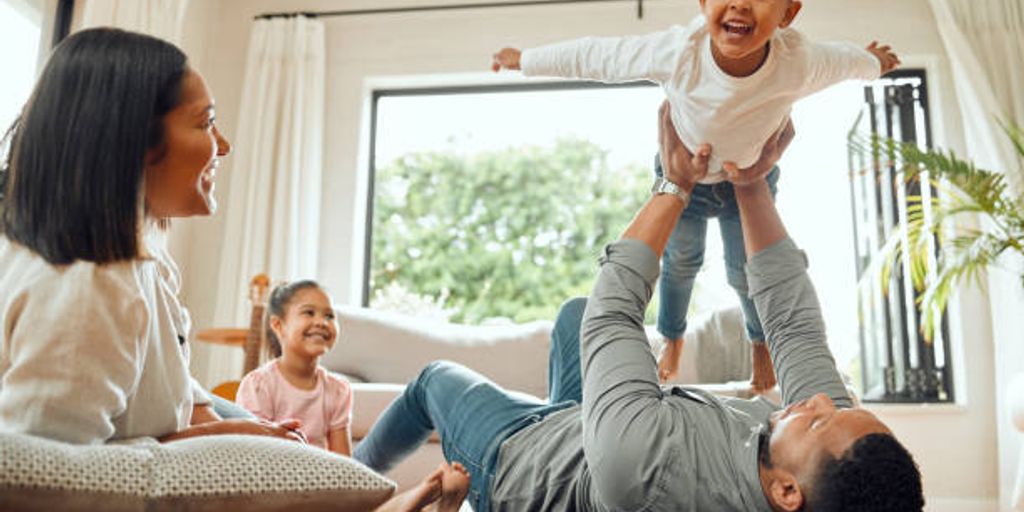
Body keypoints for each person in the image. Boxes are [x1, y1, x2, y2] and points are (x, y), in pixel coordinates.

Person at [354, 103, 924, 511]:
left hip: (518, 461)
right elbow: (794, 325)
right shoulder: (816, 461)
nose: (818, 400)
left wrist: (674, 185)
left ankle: (353, 481)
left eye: (819, 417)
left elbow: (614, 312)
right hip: (588, 434)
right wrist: (752, 188)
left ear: (786, 492)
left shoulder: (648, 475)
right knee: (573, 315)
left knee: (433, 380)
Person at [0, 27, 469, 512]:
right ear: (135, 139)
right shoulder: (87, 284)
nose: (222, 145)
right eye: (205, 123)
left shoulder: (140, 260)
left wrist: (234, 428)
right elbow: (49, 482)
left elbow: (172, 391)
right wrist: (234, 449)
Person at [491, 0, 900, 392]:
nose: (739, 4)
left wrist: (874, 63)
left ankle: (759, 342)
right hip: (686, 174)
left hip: (749, 178)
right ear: (703, 2)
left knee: (744, 271)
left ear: (788, 14)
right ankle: (672, 336)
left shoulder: (798, 63)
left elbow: (846, 62)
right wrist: (524, 59)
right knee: (681, 262)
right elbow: (598, 56)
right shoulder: (678, 53)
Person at [236, 280, 354, 456]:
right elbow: (253, 454)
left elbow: (345, 464)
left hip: (323, 478)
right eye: (309, 312)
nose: (321, 322)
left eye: (329, 316)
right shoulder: (259, 385)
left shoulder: (338, 390)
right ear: (278, 325)